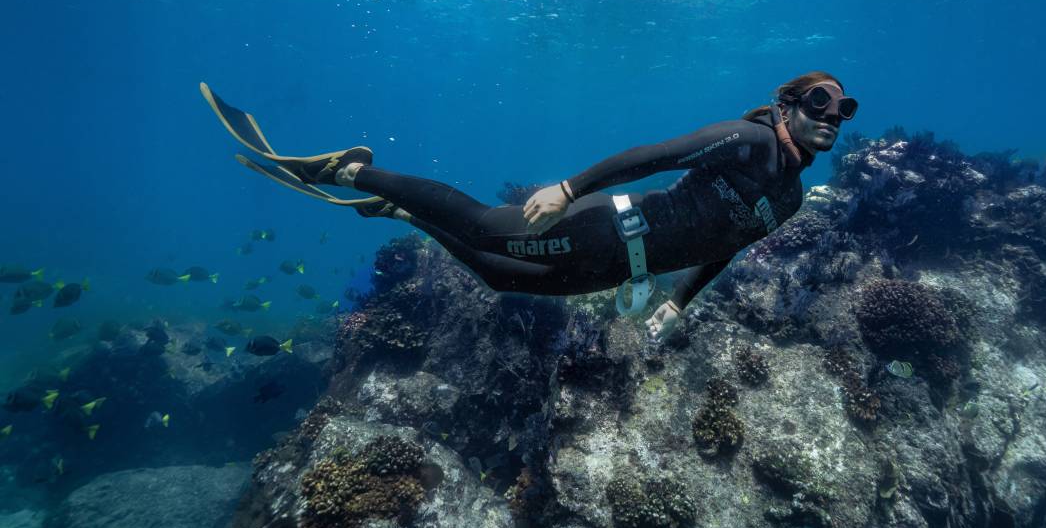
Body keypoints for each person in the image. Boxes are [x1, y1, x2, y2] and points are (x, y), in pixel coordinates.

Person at [201, 72, 856, 344]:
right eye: (818, 103)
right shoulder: (747, 141)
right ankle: (348, 169)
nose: (831, 115)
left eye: (841, 110)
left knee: (497, 275)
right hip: (608, 226)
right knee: (486, 227)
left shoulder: (791, 197)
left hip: (618, 270)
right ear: (785, 107)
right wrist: (569, 189)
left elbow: (727, 248)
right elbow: (656, 156)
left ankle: (399, 213)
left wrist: (678, 302)